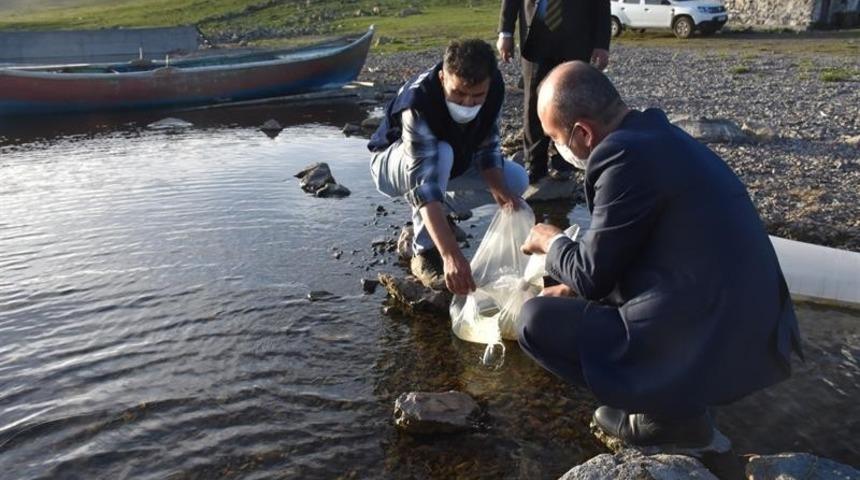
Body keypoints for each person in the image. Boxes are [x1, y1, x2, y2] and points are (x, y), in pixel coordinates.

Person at [518, 61, 803, 447]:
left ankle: (666, 415)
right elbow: (633, 248)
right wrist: (574, 286)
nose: (556, 148)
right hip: (754, 332)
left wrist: (551, 241)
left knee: (534, 320)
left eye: (555, 138)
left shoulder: (620, 156)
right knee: (580, 296)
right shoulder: (659, 136)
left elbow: (591, 276)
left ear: (582, 132)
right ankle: (683, 402)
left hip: (712, 337)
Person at [368, 39, 528, 295]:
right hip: (392, 164)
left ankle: (438, 219)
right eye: (459, 94)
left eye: (477, 96)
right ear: (443, 77)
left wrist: (503, 195)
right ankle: (424, 252)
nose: (467, 104)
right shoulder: (419, 102)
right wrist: (450, 254)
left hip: (451, 160)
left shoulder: (493, 86)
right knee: (441, 154)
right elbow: (424, 185)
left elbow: (488, 147)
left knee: (516, 180)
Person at [497, 0, 611, 183]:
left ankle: (565, 161)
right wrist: (505, 32)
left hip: (576, 38)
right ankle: (534, 164)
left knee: (571, 102)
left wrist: (602, 44)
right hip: (536, 36)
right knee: (533, 103)